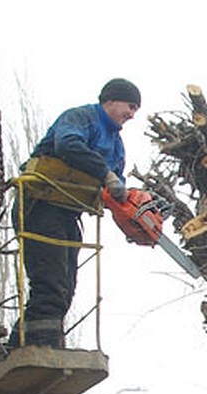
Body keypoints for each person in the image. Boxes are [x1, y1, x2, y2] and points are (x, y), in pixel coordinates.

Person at [14, 78, 141, 348]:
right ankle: (43, 345)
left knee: (65, 287)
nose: (131, 115)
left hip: (68, 213)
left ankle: (23, 342)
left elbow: (113, 188)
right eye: (129, 107)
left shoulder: (116, 145)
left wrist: (130, 215)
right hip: (40, 204)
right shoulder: (82, 118)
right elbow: (68, 145)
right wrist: (105, 173)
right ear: (110, 100)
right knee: (50, 281)